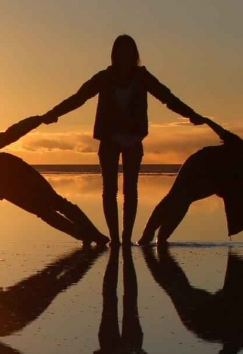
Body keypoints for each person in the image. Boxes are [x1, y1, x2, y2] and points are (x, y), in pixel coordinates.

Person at [44, 34, 206, 244]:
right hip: (109, 140)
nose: (124, 55)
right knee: (109, 190)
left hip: (133, 140)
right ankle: (115, 239)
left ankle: (126, 237)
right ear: (114, 54)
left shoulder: (142, 77)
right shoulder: (104, 77)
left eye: (128, 51)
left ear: (134, 54)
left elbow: (167, 97)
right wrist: (54, 113)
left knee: (131, 190)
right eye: (120, 51)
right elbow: (79, 97)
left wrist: (190, 114)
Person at [0, 115, 106, 247]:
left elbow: (9, 135)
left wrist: (38, 120)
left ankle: (96, 235)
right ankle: (84, 236)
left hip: (18, 171)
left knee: (56, 202)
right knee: (44, 212)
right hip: (7, 189)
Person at [139, 119, 243, 246]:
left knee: (184, 201)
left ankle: (161, 239)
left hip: (215, 182)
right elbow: (227, 136)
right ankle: (147, 236)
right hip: (202, 163)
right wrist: (207, 121)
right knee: (176, 198)